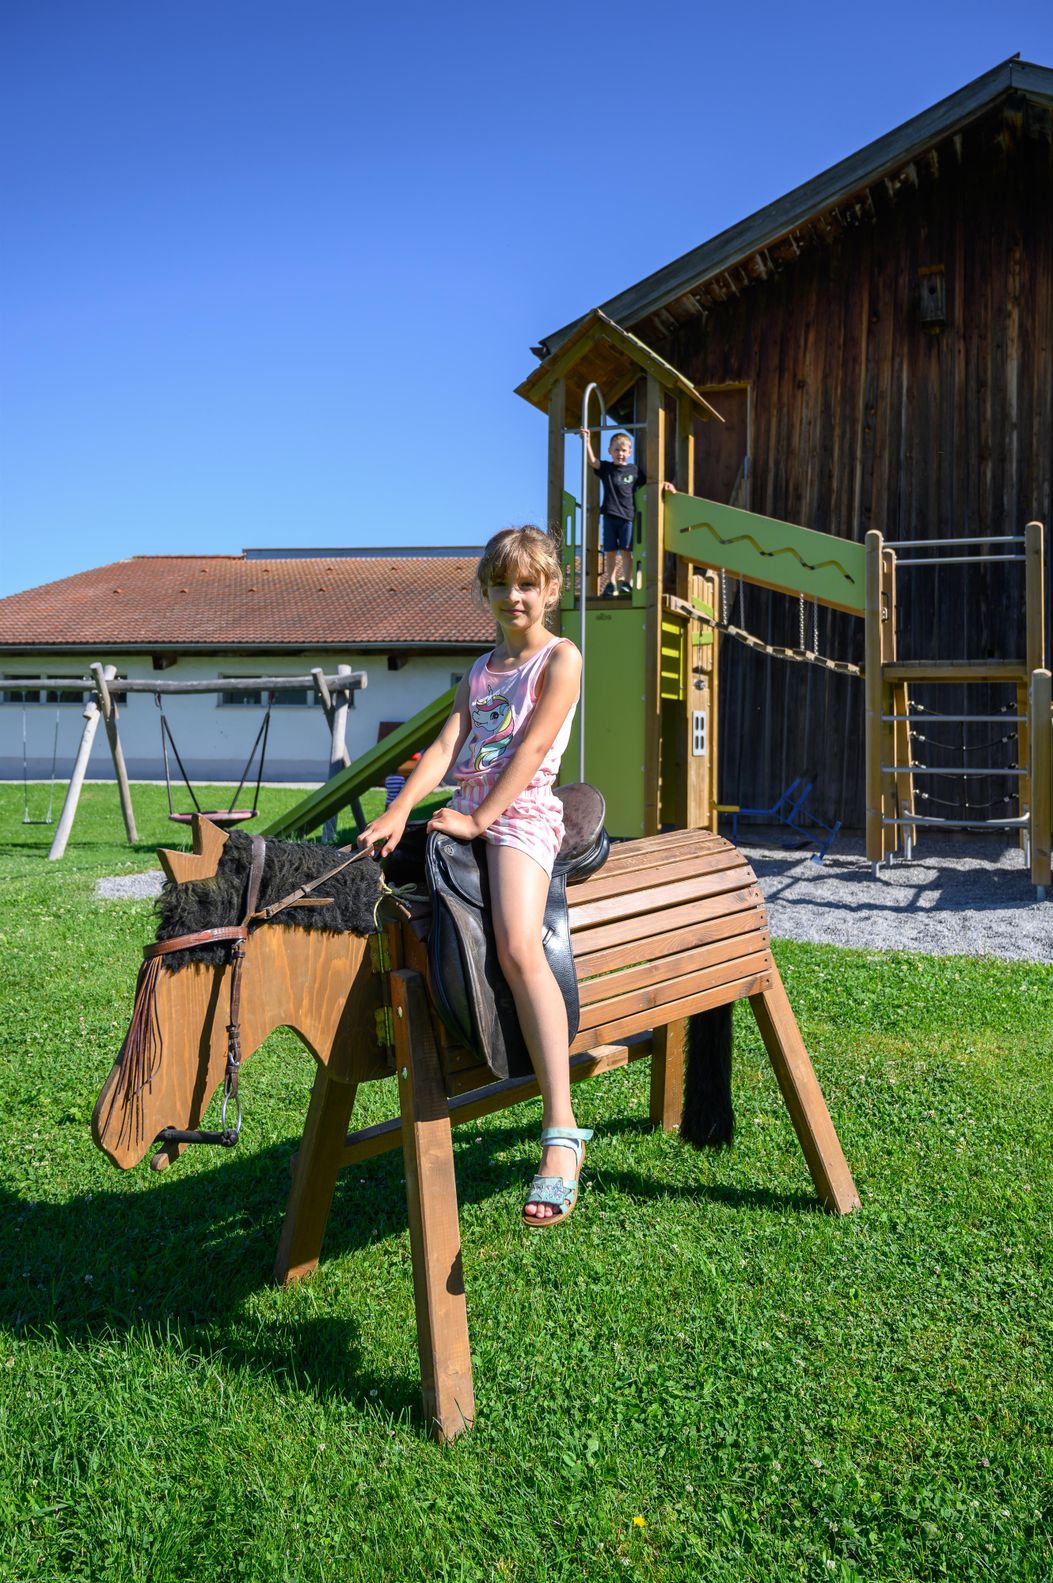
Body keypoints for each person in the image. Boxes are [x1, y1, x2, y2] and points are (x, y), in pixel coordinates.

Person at [358, 525, 589, 1228]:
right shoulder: (481, 669)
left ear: (551, 590)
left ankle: (561, 1129)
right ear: (484, 591)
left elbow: (536, 743)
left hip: (518, 814)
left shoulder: (560, 656)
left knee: (519, 943)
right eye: (502, 584)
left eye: (528, 584)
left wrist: (481, 816)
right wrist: (400, 810)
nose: (514, 596)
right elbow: (447, 744)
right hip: (466, 804)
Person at [579, 427, 676, 596]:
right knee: (609, 551)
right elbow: (593, 461)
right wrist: (586, 441)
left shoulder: (634, 471)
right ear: (610, 451)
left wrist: (665, 484)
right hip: (610, 515)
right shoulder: (608, 469)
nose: (620, 453)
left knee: (625, 551)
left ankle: (627, 582)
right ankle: (611, 582)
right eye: (616, 450)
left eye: (623, 450)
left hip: (627, 517)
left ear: (629, 452)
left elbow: (651, 484)